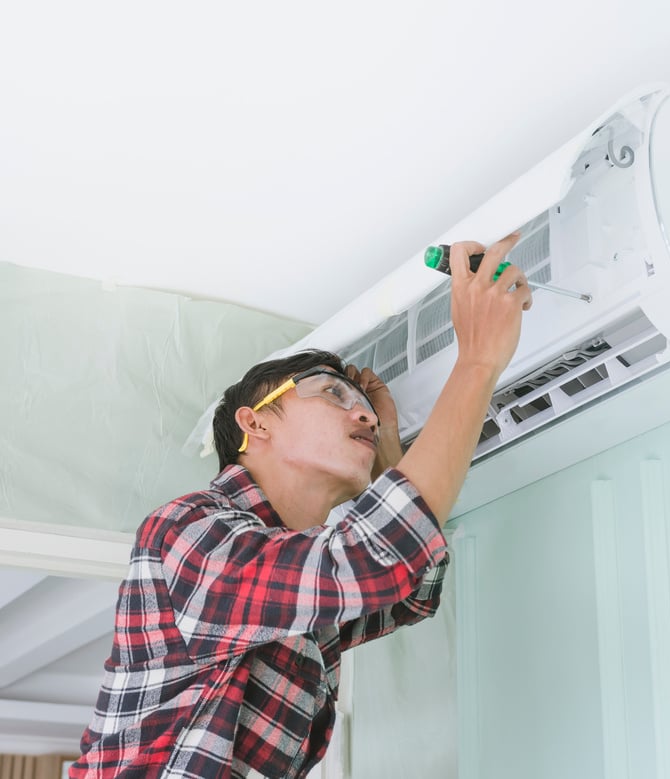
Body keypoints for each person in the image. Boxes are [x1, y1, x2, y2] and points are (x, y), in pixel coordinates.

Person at [70, 235, 532, 779]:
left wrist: (386, 453)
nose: (364, 415)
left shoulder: (294, 592)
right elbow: (376, 560)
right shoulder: (185, 532)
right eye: (333, 395)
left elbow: (412, 591)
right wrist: (476, 359)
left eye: (366, 409)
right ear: (255, 422)